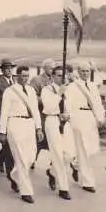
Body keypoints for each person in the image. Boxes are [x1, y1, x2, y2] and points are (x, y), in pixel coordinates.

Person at [0, 65, 43, 204]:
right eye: (22, 76)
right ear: (17, 76)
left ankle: (14, 174)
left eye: (26, 76)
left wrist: (39, 128)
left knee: (30, 157)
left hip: (29, 125)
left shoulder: (31, 90)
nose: (24, 78)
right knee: (22, 159)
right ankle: (26, 191)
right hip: (15, 125)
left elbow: (35, 111)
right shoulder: (10, 91)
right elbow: (4, 112)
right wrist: (2, 131)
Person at [65, 61, 106, 193]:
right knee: (83, 149)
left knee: (92, 149)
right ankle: (87, 182)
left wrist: (100, 118)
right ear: (78, 72)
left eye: (87, 71)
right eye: (82, 71)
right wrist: (70, 118)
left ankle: (76, 165)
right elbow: (68, 104)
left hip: (90, 119)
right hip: (78, 117)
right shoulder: (73, 86)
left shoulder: (93, 86)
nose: (85, 73)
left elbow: (98, 103)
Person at [41, 65, 75, 200]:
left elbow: (73, 107)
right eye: (59, 75)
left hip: (66, 124)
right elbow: (48, 107)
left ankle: (51, 171)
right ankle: (63, 188)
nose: (62, 78)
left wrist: (69, 115)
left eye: (64, 75)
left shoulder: (69, 90)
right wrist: (59, 94)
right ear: (53, 76)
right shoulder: (47, 90)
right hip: (53, 122)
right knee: (58, 156)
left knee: (69, 155)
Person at [29, 58, 56, 169]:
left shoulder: (56, 79)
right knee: (38, 141)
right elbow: (32, 96)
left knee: (54, 143)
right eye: (51, 68)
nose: (53, 70)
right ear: (45, 68)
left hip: (54, 116)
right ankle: (31, 159)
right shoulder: (37, 80)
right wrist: (46, 100)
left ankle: (53, 166)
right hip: (41, 115)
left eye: (54, 68)